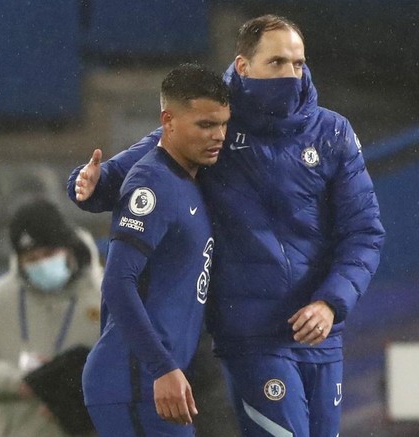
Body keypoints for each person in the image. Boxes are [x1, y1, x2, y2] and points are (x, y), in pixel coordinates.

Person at [68, 14, 385, 437]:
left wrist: (331, 302)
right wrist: (88, 182)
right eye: (277, 63)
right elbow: (139, 166)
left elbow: (364, 232)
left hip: (321, 335)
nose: (291, 74)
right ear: (243, 65)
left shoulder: (332, 133)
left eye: (298, 63)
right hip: (252, 335)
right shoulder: (214, 123)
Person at [81, 63, 230, 437]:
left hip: (156, 380)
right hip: (134, 380)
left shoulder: (190, 181)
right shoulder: (152, 184)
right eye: (205, 125)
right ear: (168, 120)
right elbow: (117, 283)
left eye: (223, 124)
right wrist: (161, 368)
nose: (218, 136)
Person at [0, 197, 103, 437]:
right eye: (31, 259)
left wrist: (80, 397)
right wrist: (19, 382)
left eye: (50, 253)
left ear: (69, 247)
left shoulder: (105, 297)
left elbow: (133, 369)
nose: (42, 264)